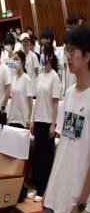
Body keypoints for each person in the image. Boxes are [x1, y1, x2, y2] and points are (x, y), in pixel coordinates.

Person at [28, 26, 90, 213]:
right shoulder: (68, 93)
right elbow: (64, 146)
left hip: (73, 199)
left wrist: (81, 205)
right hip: (56, 192)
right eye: (66, 50)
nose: (68, 56)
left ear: (88, 56)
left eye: (73, 51)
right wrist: (50, 187)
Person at [29, 43, 61, 203]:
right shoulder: (40, 76)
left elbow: (55, 103)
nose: (42, 56)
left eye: (44, 53)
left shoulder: (54, 76)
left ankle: (44, 190)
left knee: (45, 157)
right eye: (41, 52)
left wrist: (53, 124)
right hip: (38, 120)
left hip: (48, 121)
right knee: (37, 155)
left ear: (50, 56)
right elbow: (37, 100)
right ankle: (37, 187)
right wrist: (33, 120)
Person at [6, 50, 33, 129]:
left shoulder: (26, 79)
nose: (15, 61)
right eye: (14, 59)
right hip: (12, 117)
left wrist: (29, 118)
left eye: (17, 59)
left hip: (22, 119)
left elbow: (30, 101)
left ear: (23, 62)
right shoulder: (13, 78)